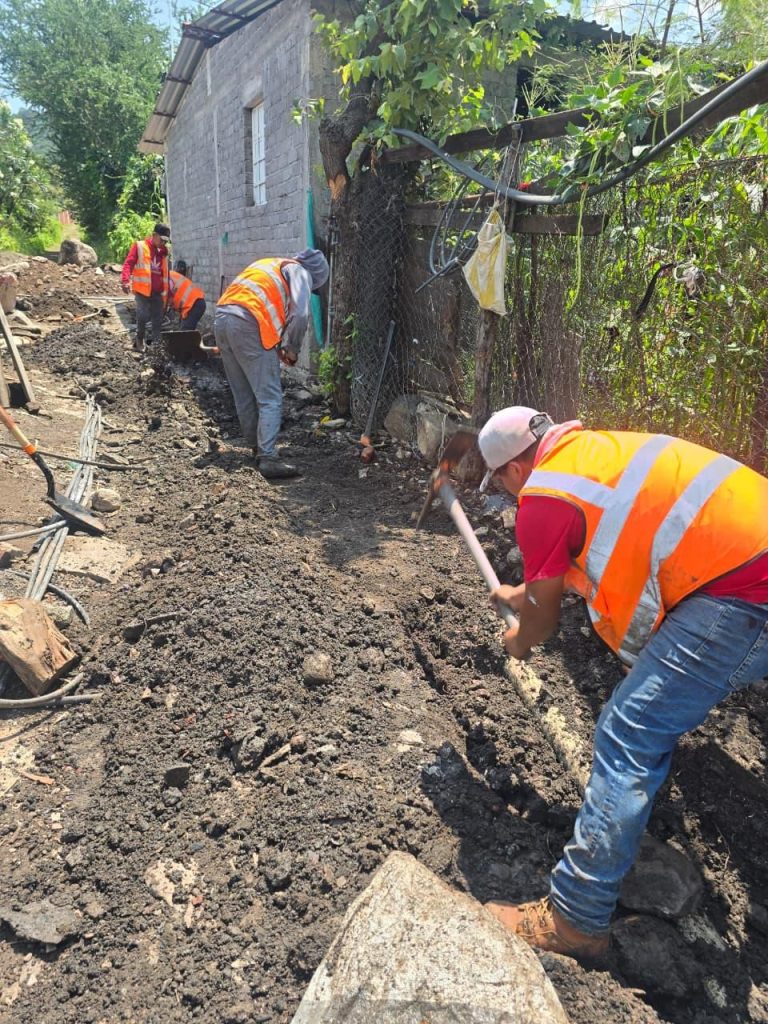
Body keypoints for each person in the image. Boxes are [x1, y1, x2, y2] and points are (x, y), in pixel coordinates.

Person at [477, 406, 768, 962]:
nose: (514, 496)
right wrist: (519, 594)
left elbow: (541, 623)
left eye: (506, 486)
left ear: (514, 471)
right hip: (752, 564)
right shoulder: (595, 456)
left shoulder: (541, 497)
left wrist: (515, 642)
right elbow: (574, 570)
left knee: (629, 729)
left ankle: (576, 917)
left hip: (743, 595)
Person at [213, 248, 328, 480]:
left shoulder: (269, 264)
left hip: (222, 319)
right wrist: (293, 349)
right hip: (247, 323)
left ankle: (257, 448)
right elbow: (301, 314)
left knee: (243, 392)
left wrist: (277, 347)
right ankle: (268, 458)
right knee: (270, 397)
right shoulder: (300, 272)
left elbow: (260, 308)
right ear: (315, 275)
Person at [121, 222, 171, 351]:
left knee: (157, 320)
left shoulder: (163, 254)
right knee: (142, 315)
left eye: (166, 241)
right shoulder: (140, 246)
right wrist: (125, 280)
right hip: (142, 290)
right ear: (154, 235)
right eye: (161, 240)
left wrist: (167, 294)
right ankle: (139, 341)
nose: (163, 243)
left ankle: (156, 347)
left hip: (157, 292)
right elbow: (129, 263)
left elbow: (165, 274)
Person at [169, 260, 206, 330]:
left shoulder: (167, 277)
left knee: (185, 334)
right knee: (183, 331)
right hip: (194, 303)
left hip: (195, 304)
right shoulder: (171, 275)